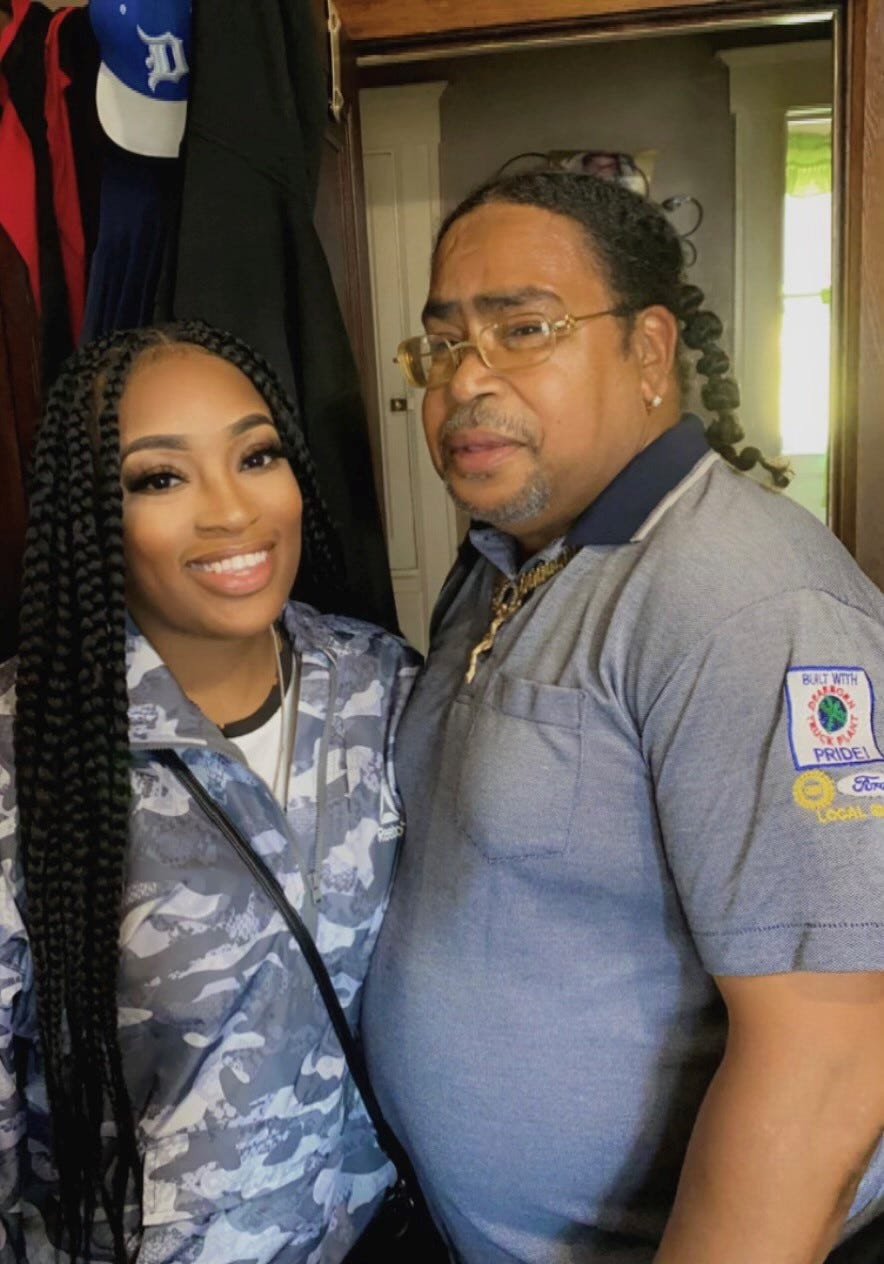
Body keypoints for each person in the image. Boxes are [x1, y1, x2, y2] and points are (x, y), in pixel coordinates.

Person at [361, 170, 884, 1263]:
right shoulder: (504, 561)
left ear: (648, 354)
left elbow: (834, 1052)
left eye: (523, 329)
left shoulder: (747, 600)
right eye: (444, 343)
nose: (467, 381)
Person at [0, 320, 419, 1262]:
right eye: (160, 477)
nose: (232, 511)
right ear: (91, 515)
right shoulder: (24, 757)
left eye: (257, 455)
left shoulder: (384, 691)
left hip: (389, 1233)